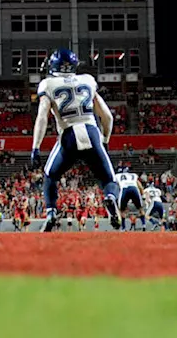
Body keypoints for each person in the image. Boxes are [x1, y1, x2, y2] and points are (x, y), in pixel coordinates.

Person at [30, 48, 121, 232]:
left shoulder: (48, 84)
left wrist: (36, 147)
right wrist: (104, 140)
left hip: (69, 135)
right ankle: (110, 198)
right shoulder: (87, 80)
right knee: (109, 179)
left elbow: (42, 117)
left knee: (50, 176)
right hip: (92, 132)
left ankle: (51, 213)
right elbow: (108, 117)